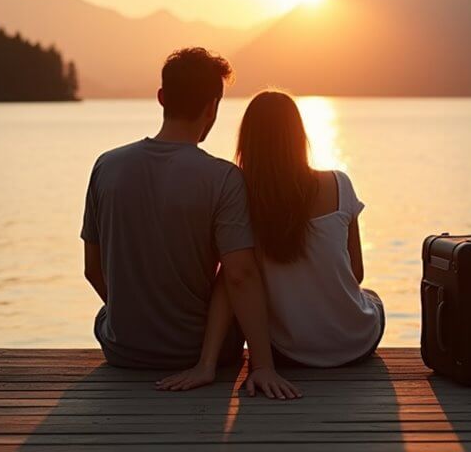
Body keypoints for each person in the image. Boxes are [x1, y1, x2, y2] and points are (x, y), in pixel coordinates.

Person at [81, 48, 301, 400]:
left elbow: (93, 269)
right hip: (198, 352)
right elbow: (240, 275)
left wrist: (135, 316)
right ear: (213, 106)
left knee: (104, 317)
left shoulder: (106, 167)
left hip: (122, 349)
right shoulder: (224, 179)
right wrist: (263, 366)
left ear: (162, 98)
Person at [158, 90, 382, 390]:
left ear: (247, 141)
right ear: (298, 136)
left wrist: (205, 364)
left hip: (290, 352)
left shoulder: (241, 198)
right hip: (355, 343)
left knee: (234, 271)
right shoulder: (340, 183)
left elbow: (232, 279)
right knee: (371, 298)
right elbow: (355, 273)